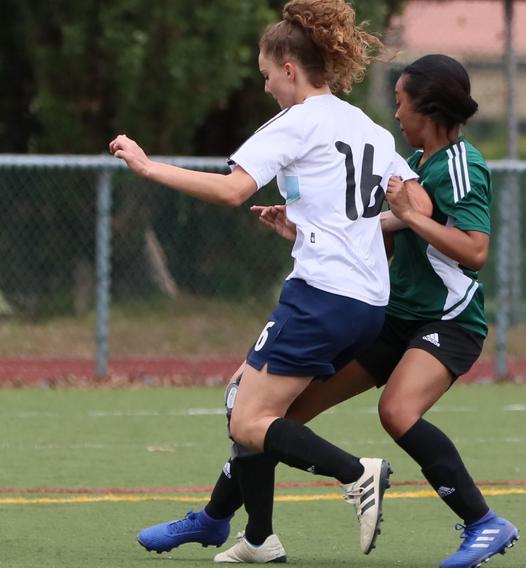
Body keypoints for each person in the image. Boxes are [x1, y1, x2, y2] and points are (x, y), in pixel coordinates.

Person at [137, 54, 520, 567]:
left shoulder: (459, 162)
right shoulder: (418, 164)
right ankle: (219, 518)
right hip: (395, 314)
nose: (397, 114)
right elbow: (386, 231)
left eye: (402, 103)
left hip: (447, 320)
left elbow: (473, 250)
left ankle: (483, 523)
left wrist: (410, 215)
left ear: (427, 108)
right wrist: (305, 231)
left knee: (397, 412)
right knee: (280, 413)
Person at [111, 0, 417, 561]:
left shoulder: (298, 120)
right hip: (368, 302)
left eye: (268, 76)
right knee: (248, 402)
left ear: (291, 69)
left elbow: (233, 190)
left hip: (321, 296)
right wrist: (314, 229)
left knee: (249, 420)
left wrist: (148, 166)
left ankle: (356, 473)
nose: (268, 87)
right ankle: (256, 537)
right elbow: (411, 204)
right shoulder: (368, 127)